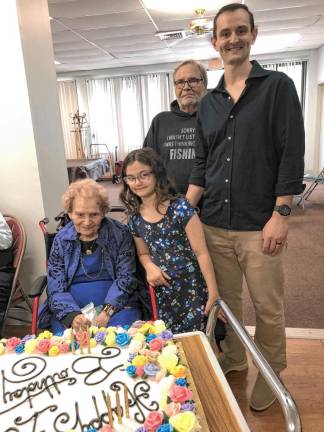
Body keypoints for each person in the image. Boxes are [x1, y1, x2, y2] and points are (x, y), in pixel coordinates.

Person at [187, 3, 305, 411]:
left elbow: (291, 154)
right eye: (225, 33)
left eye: (241, 31)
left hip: (260, 224)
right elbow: (204, 164)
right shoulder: (209, 102)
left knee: (268, 307)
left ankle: (272, 374)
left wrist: (281, 213)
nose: (232, 39)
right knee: (226, 303)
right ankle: (235, 358)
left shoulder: (277, 87)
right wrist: (184, 214)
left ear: (254, 34)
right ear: (214, 41)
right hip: (215, 222)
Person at [120, 148, 220, 334]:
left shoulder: (181, 208)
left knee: (197, 342)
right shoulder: (134, 216)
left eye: (144, 175)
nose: (138, 182)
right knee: (168, 344)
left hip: (192, 289)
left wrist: (213, 292)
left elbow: (202, 252)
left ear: (157, 174)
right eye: (131, 178)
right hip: (162, 292)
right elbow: (143, 253)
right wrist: (150, 267)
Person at [38, 179, 142, 333]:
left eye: (94, 214)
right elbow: (56, 285)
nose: (87, 222)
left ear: (103, 212)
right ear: (70, 213)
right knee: (67, 341)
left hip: (118, 306)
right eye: (80, 214)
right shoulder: (61, 240)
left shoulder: (120, 234)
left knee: (123, 337)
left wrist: (108, 311)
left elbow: (125, 277)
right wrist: (73, 316)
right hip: (71, 308)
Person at [143, 60, 207, 195]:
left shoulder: (216, 119)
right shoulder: (160, 121)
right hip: (168, 201)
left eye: (193, 80)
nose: (186, 87)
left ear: (204, 84)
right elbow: (146, 164)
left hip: (210, 204)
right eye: (180, 82)